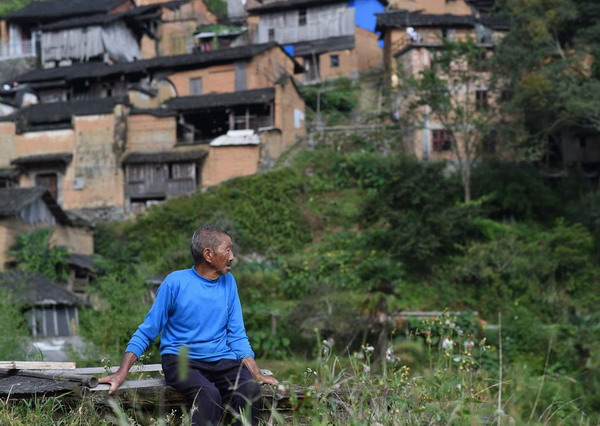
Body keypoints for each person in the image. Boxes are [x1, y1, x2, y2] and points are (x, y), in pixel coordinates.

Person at [98, 224, 278, 425]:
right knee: (208, 395)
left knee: (250, 391)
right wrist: (122, 372)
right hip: (181, 360)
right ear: (208, 254)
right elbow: (148, 330)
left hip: (221, 360)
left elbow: (236, 333)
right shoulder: (175, 282)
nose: (232, 256)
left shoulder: (229, 282)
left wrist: (255, 373)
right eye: (227, 250)